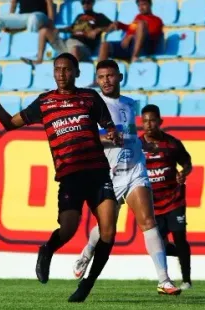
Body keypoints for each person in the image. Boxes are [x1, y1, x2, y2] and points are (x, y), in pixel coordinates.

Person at [0, 52, 119, 303]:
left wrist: (112, 132)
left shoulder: (90, 97)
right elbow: (10, 123)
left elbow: (108, 124)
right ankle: (47, 250)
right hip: (70, 176)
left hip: (98, 172)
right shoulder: (44, 102)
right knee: (68, 229)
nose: (61, 74)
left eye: (66, 69)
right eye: (57, 69)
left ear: (77, 73)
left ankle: (86, 285)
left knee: (108, 231)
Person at [71, 60, 181, 296]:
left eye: (110, 76)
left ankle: (164, 280)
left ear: (120, 77)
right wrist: (111, 140)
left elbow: (130, 136)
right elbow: (88, 138)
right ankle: (87, 253)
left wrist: (143, 146)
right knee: (106, 226)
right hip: (108, 175)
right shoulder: (93, 107)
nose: (106, 81)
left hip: (135, 171)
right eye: (101, 77)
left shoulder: (131, 104)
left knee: (148, 222)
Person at [140, 104, 193, 290]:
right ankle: (170, 270)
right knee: (159, 244)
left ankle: (186, 280)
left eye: (152, 120)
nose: (148, 124)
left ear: (160, 122)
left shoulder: (172, 143)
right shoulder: (137, 146)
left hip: (174, 199)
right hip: (151, 204)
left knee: (179, 236)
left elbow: (187, 162)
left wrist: (183, 172)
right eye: (145, 121)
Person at [21, 0, 112, 65]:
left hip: (83, 47)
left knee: (74, 49)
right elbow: (71, 28)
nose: (85, 5)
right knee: (44, 31)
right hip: (67, 44)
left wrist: (98, 30)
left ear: (93, 3)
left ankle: (73, 76)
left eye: (88, 2)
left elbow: (112, 26)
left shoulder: (99, 16)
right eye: (83, 3)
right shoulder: (79, 16)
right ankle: (39, 59)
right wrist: (59, 30)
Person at [98, 0, 163, 62]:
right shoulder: (138, 17)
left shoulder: (157, 20)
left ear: (150, 4)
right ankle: (100, 71)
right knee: (105, 45)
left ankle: (134, 57)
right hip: (129, 46)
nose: (141, 8)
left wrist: (131, 36)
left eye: (143, 4)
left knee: (141, 24)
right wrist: (120, 25)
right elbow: (131, 28)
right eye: (139, 5)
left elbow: (151, 33)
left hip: (144, 47)